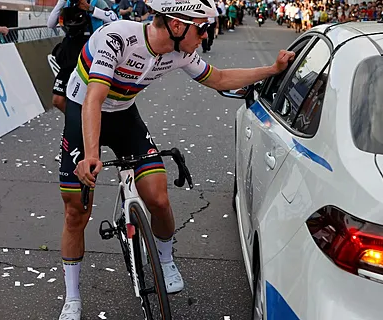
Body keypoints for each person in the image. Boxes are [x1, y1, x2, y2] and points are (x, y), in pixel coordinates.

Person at [56, 0, 295, 317]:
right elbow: (94, 99)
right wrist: (90, 154)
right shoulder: (116, 38)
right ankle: (72, 298)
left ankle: (166, 261)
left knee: (158, 197)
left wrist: (272, 70)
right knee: (76, 213)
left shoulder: (180, 52)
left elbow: (220, 79)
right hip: (84, 112)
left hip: (125, 117)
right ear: (177, 25)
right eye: (202, 28)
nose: (206, 35)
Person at [48, 0, 116, 162]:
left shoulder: (97, 1)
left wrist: (91, 9)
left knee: (83, 101)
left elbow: (115, 19)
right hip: (69, 54)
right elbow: (50, 24)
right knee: (58, 100)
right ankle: (85, 125)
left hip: (89, 54)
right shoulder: (68, 2)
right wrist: (61, 2)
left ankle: (77, 141)